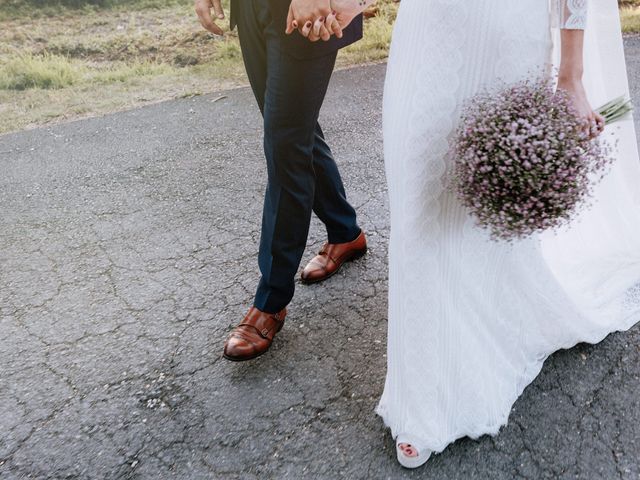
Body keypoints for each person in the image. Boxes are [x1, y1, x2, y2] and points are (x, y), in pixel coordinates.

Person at [290, 0, 640, 469]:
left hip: (507, 38)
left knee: (477, 213)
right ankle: (424, 398)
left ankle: (480, 353)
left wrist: (571, 77)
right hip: (427, 34)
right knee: (419, 202)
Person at [195, 0, 369, 362]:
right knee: (290, 135)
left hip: (307, 9)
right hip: (251, 8)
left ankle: (270, 301)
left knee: (285, 145)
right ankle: (345, 231)